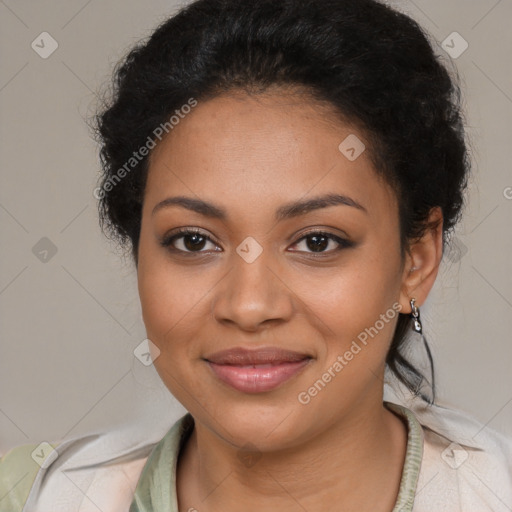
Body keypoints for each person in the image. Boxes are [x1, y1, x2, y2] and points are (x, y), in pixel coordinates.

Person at [1, 0, 511, 510]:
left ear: (415, 262)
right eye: (194, 241)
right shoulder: (31, 497)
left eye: (317, 241)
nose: (248, 306)